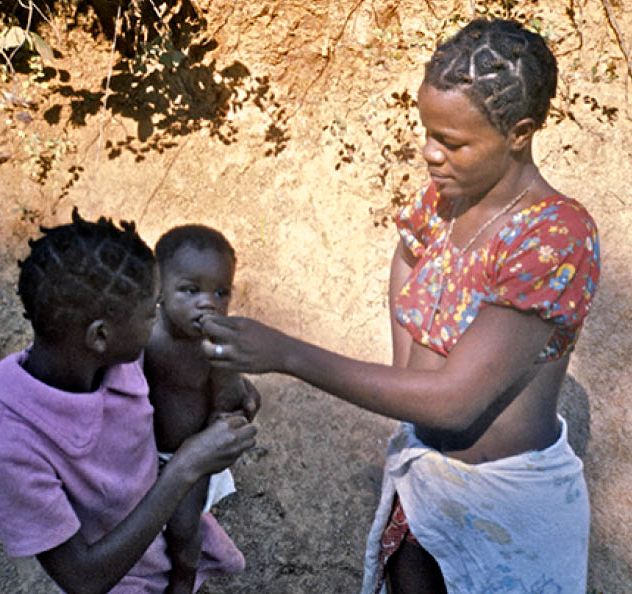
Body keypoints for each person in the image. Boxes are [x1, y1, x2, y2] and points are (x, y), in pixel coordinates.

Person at [200, 18, 601, 594]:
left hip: (506, 507)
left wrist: (287, 354)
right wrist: (405, 369)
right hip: (424, 487)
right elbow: (409, 255)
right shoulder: (446, 200)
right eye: (428, 133)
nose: (432, 154)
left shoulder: (554, 236)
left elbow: (456, 404)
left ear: (520, 133)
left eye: (453, 142)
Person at [0, 209, 257, 594]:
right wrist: (186, 467)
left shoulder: (112, 358)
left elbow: (174, 378)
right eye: (150, 313)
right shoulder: (11, 447)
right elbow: (83, 579)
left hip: (159, 542)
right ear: (100, 336)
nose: (158, 321)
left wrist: (227, 383)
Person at [144, 224, 260, 594]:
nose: (207, 303)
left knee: (182, 529)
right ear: (158, 287)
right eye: (191, 290)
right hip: (137, 451)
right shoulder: (144, 336)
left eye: (220, 292)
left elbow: (226, 404)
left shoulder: (216, 347)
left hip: (189, 453)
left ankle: (184, 576)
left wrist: (227, 419)